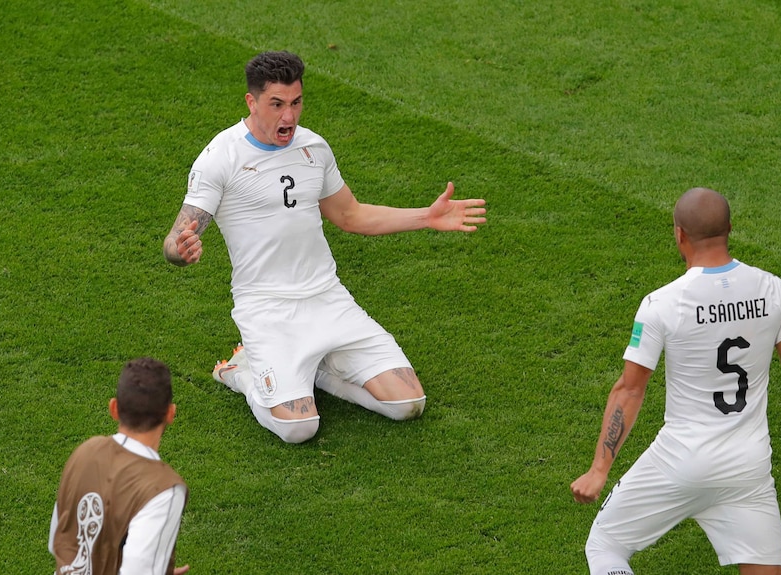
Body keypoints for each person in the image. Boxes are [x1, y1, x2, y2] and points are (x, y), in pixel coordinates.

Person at [163, 50, 486, 444]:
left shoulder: (314, 149)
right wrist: (181, 249)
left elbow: (350, 216)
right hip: (268, 310)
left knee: (409, 402)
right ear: (251, 102)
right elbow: (176, 238)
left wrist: (427, 217)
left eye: (296, 103)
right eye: (277, 105)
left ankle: (313, 370)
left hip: (328, 300)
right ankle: (243, 372)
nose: (289, 117)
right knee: (298, 428)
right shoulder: (221, 157)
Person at [570, 188, 781, 575]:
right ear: (730, 228)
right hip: (748, 468)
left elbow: (629, 389)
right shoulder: (775, 291)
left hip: (681, 462)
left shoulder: (662, 303)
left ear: (679, 234)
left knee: (606, 545)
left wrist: (599, 469)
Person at [49, 358, 189, 575]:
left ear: (114, 408)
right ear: (170, 413)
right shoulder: (164, 490)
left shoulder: (84, 452)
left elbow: (59, 541)